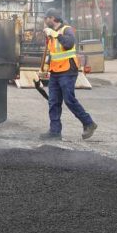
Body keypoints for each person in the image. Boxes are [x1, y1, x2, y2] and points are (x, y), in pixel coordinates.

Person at [39, 8, 97, 141]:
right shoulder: (51, 34)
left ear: (52, 18)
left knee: (69, 100)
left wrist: (55, 34)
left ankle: (88, 123)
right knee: (53, 102)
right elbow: (53, 53)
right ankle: (55, 131)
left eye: (46, 18)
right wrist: (45, 67)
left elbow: (69, 44)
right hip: (55, 71)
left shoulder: (66, 30)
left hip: (68, 70)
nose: (45, 21)